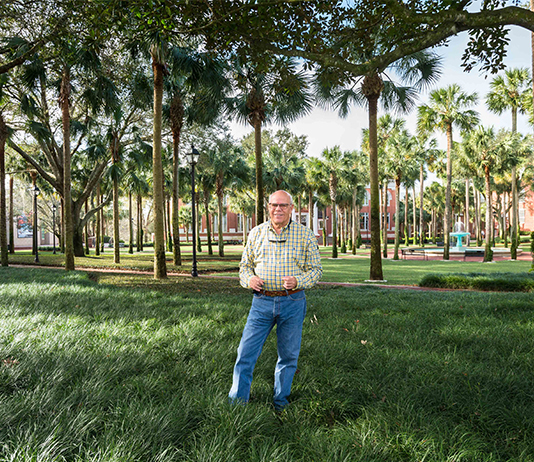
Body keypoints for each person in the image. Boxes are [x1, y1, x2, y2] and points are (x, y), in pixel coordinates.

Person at [229, 190, 322, 411]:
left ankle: (281, 402)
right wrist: (249, 279)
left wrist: (298, 281)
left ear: (291, 208)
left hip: (293, 302)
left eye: (283, 205)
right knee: (245, 353)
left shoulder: (305, 235)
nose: (278, 209)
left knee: (288, 355)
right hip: (261, 303)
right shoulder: (256, 233)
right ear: (268, 207)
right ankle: (237, 403)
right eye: (274, 205)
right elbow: (244, 267)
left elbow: (316, 270)